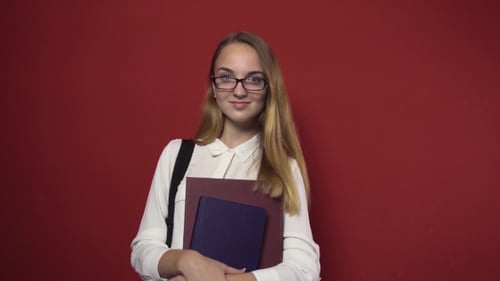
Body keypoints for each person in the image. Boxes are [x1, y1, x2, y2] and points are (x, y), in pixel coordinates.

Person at [130, 31, 321, 281]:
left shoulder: (284, 168)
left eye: (252, 79)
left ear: (269, 87)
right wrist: (186, 261)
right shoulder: (176, 155)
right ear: (213, 86)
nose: (239, 91)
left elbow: (304, 270)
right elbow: (143, 249)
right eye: (226, 77)